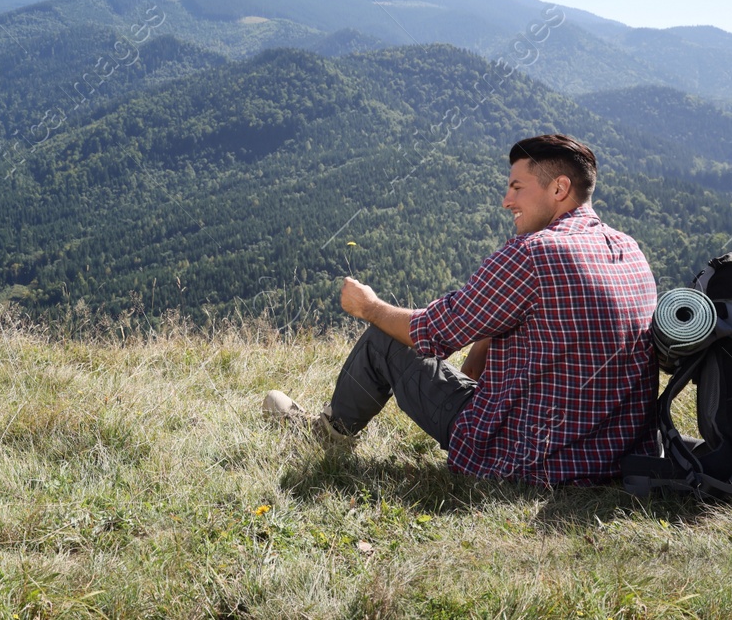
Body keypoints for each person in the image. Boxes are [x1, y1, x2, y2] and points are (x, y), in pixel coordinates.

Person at [264, 134, 658, 485]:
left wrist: (370, 306)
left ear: (559, 188)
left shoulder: (533, 253)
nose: (507, 201)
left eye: (517, 187)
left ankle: (325, 435)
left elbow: (433, 333)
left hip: (522, 458)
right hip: (613, 459)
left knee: (383, 337)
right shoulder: (629, 250)